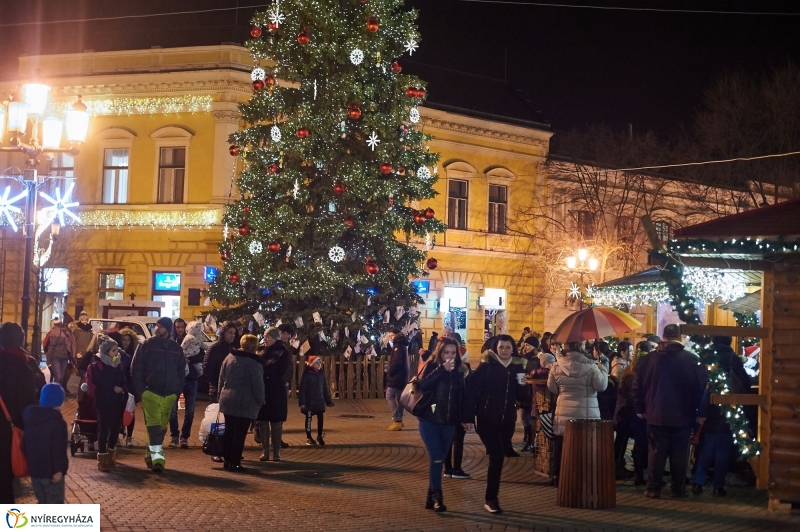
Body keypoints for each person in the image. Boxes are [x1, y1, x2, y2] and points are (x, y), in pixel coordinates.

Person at [632, 324, 707, 498]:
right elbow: (700, 388)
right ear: (680, 336)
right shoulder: (691, 359)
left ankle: (653, 488)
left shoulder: (648, 359)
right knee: (679, 454)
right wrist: (698, 413)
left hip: (655, 412)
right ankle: (677, 489)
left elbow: (637, 386)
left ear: (663, 336)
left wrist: (640, 408)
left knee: (656, 452)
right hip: (683, 414)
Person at [462, 334, 528, 514]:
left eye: (508, 347)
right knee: (497, 455)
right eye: (502, 347)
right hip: (486, 418)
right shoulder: (487, 367)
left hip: (507, 420)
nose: (505, 351)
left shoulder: (517, 368)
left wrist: (523, 383)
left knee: (498, 456)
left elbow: (522, 397)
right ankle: (491, 499)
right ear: (495, 349)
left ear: (513, 349)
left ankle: (492, 498)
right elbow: (472, 392)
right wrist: (467, 417)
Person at [692, 336, 751, 496]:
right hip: (730, 408)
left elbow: (699, 383)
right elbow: (745, 382)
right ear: (730, 343)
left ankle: (698, 482)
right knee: (723, 450)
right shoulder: (733, 358)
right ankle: (718, 486)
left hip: (708, 408)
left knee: (707, 448)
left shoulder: (707, 358)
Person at [547, 340, 609, 487]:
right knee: (584, 447)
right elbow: (601, 386)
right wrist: (604, 369)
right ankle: (582, 478)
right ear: (581, 347)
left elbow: (552, 388)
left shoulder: (556, 366)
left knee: (561, 445)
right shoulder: (592, 367)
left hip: (563, 412)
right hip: (586, 413)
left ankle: (558, 477)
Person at [416, 337, 465, 512]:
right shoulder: (432, 366)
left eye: (453, 353)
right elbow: (423, 385)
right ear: (440, 353)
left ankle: (430, 498)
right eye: (446, 352)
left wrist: (465, 419)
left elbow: (462, 397)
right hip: (429, 420)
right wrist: (442, 370)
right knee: (437, 457)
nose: (450, 356)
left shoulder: (461, 371)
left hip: (449, 422)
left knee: (438, 460)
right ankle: (437, 496)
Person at [132, 317, 186, 473]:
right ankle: (158, 459)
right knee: (155, 426)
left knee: (161, 427)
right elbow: (136, 368)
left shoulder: (176, 348)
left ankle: (150, 454)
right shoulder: (146, 345)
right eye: (157, 326)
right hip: (151, 392)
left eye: (161, 327)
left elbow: (182, 370)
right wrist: (142, 390)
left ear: (168, 330)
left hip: (169, 394)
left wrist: (177, 389)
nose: (158, 329)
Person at [0, 322, 37, 503]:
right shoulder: (23, 368)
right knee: (6, 480)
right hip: (9, 429)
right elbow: (27, 405)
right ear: (21, 340)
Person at [217, 334, 265, 472]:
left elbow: (221, 378)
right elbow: (258, 385)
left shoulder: (230, 358)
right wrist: (261, 400)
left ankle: (227, 460)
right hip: (245, 402)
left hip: (228, 399)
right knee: (239, 434)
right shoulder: (255, 364)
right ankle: (235, 462)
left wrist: (220, 395)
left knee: (229, 431)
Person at [85, 335, 128, 472]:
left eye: (117, 350)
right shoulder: (97, 365)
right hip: (102, 400)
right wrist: (112, 372)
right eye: (114, 351)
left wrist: (122, 388)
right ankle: (102, 458)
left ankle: (111, 454)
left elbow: (123, 380)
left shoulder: (119, 364)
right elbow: (101, 382)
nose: (117, 353)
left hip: (116, 401)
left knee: (115, 428)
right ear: (106, 352)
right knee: (103, 429)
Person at [22, 383, 68, 504]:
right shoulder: (58, 423)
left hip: (35, 472)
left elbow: (24, 445)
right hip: (52, 473)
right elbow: (58, 449)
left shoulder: (31, 419)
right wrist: (59, 469)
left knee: (42, 503)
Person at [169, 320, 205, 449]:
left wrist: (190, 359)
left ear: (186, 327)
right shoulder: (171, 341)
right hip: (176, 380)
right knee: (172, 411)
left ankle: (184, 437)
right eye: (177, 327)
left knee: (189, 411)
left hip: (191, 379)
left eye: (182, 327)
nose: (179, 329)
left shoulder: (193, 338)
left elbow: (202, 355)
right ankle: (174, 436)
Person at [256, 327, 289, 461]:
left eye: (268, 337)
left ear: (275, 338)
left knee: (276, 421)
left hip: (275, 389)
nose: (265, 339)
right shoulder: (259, 351)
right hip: (263, 388)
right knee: (263, 420)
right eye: (264, 336)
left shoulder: (282, 351)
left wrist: (268, 374)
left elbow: (282, 370)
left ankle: (276, 452)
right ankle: (265, 450)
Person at [298, 355, 334, 446]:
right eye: (317, 363)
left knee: (320, 418)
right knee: (309, 419)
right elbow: (303, 388)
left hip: (319, 400)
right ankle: (309, 437)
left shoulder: (321, 374)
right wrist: (302, 402)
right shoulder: (307, 374)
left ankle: (319, 436)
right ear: (312, 364)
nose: (319, 364)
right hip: (309, 401)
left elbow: (325, 388)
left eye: (320, 363)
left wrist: (328, 401)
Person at [204, 321, 237, 401]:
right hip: (216, 391)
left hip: (229, 391)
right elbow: (207, 369)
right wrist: (219, 383)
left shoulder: (232, 349)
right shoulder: (214, 349)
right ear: (223, 333)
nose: (233, 335)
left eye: (234, 333)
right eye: (230, 332)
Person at [117, 328, 139, 447]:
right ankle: (118, 435)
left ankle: (129, 437)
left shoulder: (133, 353)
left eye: (128, 340)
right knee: (118, 412)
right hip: (119, 386)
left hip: (129, 386)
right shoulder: (116, 352)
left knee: (130, 412)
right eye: (123, 340)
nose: (125, 342)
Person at [519, 336, 540, 453]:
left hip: (534, 391)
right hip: (525, 391)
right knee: (523, 416)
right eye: (525, 345)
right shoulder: (523, 359)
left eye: (528, 345)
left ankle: (532, 441)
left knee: (532, 417)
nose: (526, 347)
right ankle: (528, 438)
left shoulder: (538, 359)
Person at [385, 329, 409, 431]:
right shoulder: (402, 344)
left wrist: (390, 372)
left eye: (392, 335)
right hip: (402, 375)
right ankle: (398, 420)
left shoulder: (397, 346)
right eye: (389, 335)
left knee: (389, 394)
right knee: (400, 397)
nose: (390, 337)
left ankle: (397, 419)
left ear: (397, 335)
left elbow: (396, 361)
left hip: (397, 375)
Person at [43, 317, 77, 387]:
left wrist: (72, 359)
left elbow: (71, 347)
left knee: (61, 378)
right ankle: (54, 393)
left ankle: (57, 393)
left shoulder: (69, 333)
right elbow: (51, 346)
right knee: (58, 377)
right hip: (55, 357)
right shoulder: (57, 332)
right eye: (70, 324)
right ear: (66, 324)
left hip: (64, 358)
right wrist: (48, 359)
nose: (72, 325)